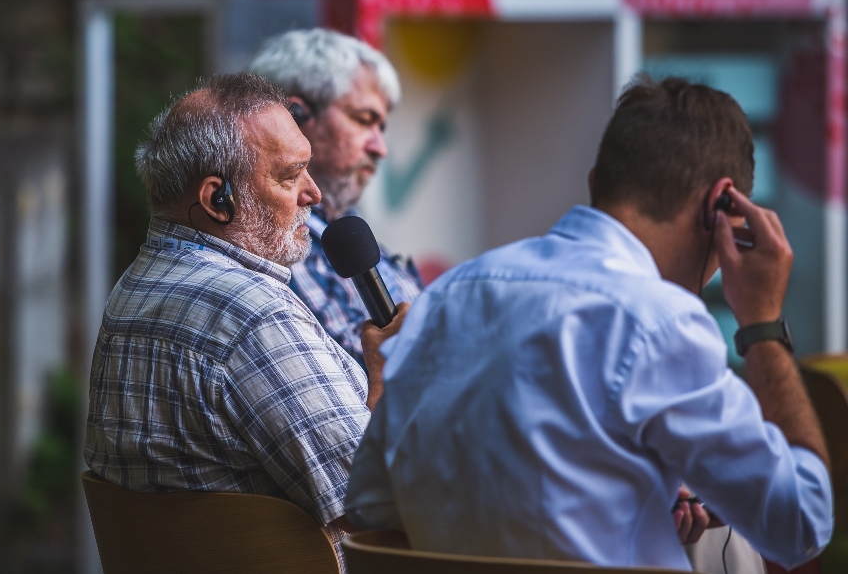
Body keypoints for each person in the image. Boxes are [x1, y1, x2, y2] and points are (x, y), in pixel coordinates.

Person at [343, 75, 833, 571]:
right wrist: (762, 323)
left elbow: (371, 508)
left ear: (597, 182)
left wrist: (613, 497)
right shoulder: (662, 322)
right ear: (720, 206)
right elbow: (802, 525)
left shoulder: (445, 297)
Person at [84, 73, 406, 552]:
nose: (314, 194)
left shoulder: (131, 291)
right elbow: (381, 504)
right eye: (290, 175)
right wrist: (388, 373)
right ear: (218, 199)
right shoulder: (253, 316)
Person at [248, 29, 424, 369]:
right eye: (364, 120)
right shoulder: (276, 242)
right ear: (294, 117)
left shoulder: (345, 226)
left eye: (381, 128)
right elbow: (362, 370)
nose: (380, 148)